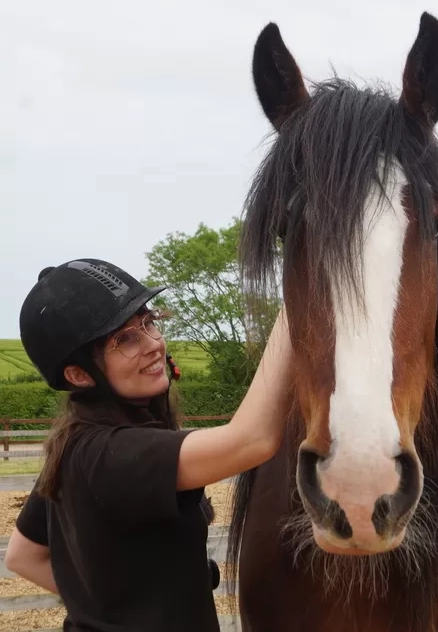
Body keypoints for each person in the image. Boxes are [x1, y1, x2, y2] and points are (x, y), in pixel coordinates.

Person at [5, 258, 293, 632]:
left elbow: (22, 555)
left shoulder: (76, 447)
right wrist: (299, 296)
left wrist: (114, 608)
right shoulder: (108, 455)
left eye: (148, 323)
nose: (154, 343)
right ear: (78, 374)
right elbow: (252, 440)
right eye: (124, 339)